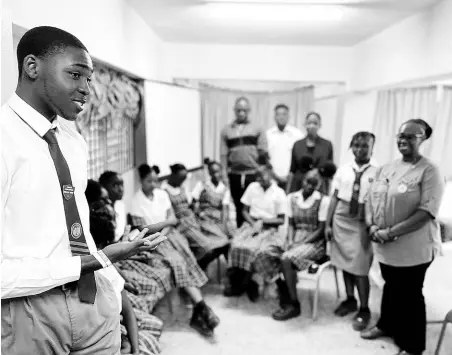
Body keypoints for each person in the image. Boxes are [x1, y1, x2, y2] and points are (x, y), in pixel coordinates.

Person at [1, 26, 161, 354]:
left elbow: (76, 226)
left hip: (93, 299)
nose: (86, 89)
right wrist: (93, 261)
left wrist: (110, 281)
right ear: (32, 68)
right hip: (29, 311)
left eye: (89, 79)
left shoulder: (72, 140)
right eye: (75, 75)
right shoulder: (4, 140)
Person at [361, 119, 444, 355]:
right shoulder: (387, 167)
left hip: (414, 248)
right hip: (385, 245)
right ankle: (386, 326)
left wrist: (390, 232)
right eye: (400, 135)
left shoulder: (430, 170)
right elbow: (370, 198)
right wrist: (371, 227)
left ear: (423, 139)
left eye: (410, 136)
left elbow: (427, 212)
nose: (403, 140)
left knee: (410, 295)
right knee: (391, 287)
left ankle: (413, 345)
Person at [128, 164, 221, 337]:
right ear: (141, 181)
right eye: (149, 181)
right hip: (151, 242)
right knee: (177, 262)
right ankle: (201, 307)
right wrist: (165, 226)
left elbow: (173, 219)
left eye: (156, 180)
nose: (153, 185)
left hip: (170, 236)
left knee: (185, 258)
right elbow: (144, 228)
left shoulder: (162, 195)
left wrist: (164, 229)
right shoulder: (136, 200)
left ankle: (199, 309)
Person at [86, 179, 163, 355]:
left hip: (115, 270)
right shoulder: (92, 261)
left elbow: (110, 262)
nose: (105, 203)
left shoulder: (109, 216)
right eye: (102, 200)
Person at [325, 132, 378, 331]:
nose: (360, 149)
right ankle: (350, 300)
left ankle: (364, 308)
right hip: (341, 217)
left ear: (372, 147)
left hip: (363, 220)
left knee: (361, 267)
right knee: (344, 264)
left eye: (365, 146)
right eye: (356, 145)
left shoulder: (378, 171)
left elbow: (379, 201)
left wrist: (373, 223)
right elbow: (334, 197)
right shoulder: (344, 170)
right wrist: (328, 224)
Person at [271, 169, 331, 321]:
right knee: (270, 252)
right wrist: (291, 241)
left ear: (318, 185)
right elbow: (291, 224)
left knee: (286, 258)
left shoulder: (323, 200)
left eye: (314, 184)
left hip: (314, 242)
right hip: (295, 238)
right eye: (307, 182)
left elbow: (320, 229)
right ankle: (284, 290)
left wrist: (300, 243)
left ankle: (294, 304)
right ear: (302, 180)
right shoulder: (292, 197)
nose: (310, 186)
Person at [225, 162, 287, 301]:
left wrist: (262, 222)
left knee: (258, 250)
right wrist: (253, 224)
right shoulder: (253, 187)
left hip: (270, 228)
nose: (259, 180)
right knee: (236, 245)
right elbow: (244, 211)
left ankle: (254, 280)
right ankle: (239, 282)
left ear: (271, 175)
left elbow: (281, 220)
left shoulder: (279, 193)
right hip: (251, 224)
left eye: (262, 177)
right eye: (257, 177)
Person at [162, 163, 230, 270]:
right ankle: (197, 267)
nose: (182, 181)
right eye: (181, 178)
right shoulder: (164, 191)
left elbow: (191, 204)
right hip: (184, 223)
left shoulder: (182, 187)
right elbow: (170, 214)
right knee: (208, 246)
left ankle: (205, 267)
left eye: (184, 178)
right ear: (173, 175)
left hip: (194, 220)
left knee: (224, 241)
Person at [220, 96, 269, 227]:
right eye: (239, 110)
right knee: (238, 205)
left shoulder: (257, 128)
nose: (241, 113)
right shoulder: (226, 130)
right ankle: (240, 234)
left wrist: (264, 174)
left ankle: (253, 233)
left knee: (252, 206)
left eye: (245, 110)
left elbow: (263, 154)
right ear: (234, 110)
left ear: (249, 110)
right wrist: (224, 175)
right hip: (235, 175)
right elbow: (224, 155)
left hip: (253, 174)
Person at [287, 112, 334, 194]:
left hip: (319, 187)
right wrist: (288, 192)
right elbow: (292, 171)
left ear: (320, 125)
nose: (312, 126)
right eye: (309, 123)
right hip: (299, 187)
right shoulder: (298, 145)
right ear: (305, 124)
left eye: (315, 123)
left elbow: (329, 173)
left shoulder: (327, 145)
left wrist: (328, 193)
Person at [192, 158, 234, 238]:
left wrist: (223, 225)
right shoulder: (202, 185)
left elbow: (225, 209)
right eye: (213, 172)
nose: (216, 175)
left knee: (228, 235)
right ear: (209, 173)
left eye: (218, 172)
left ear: (221, 171)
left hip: (219, 218)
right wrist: (200, 213)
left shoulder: (224, 189)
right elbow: (194, 203)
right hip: (204, 217)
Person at [266, 104, 303, 190]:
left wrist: (291, 175)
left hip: (291, 178)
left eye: (284, 114)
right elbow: (265, 158)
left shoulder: (297, 134)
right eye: (278, 114)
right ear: (274, 117)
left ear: (288, 116)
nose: (281, 117)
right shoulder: (268, 134)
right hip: (272, 179)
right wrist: (274, 175)